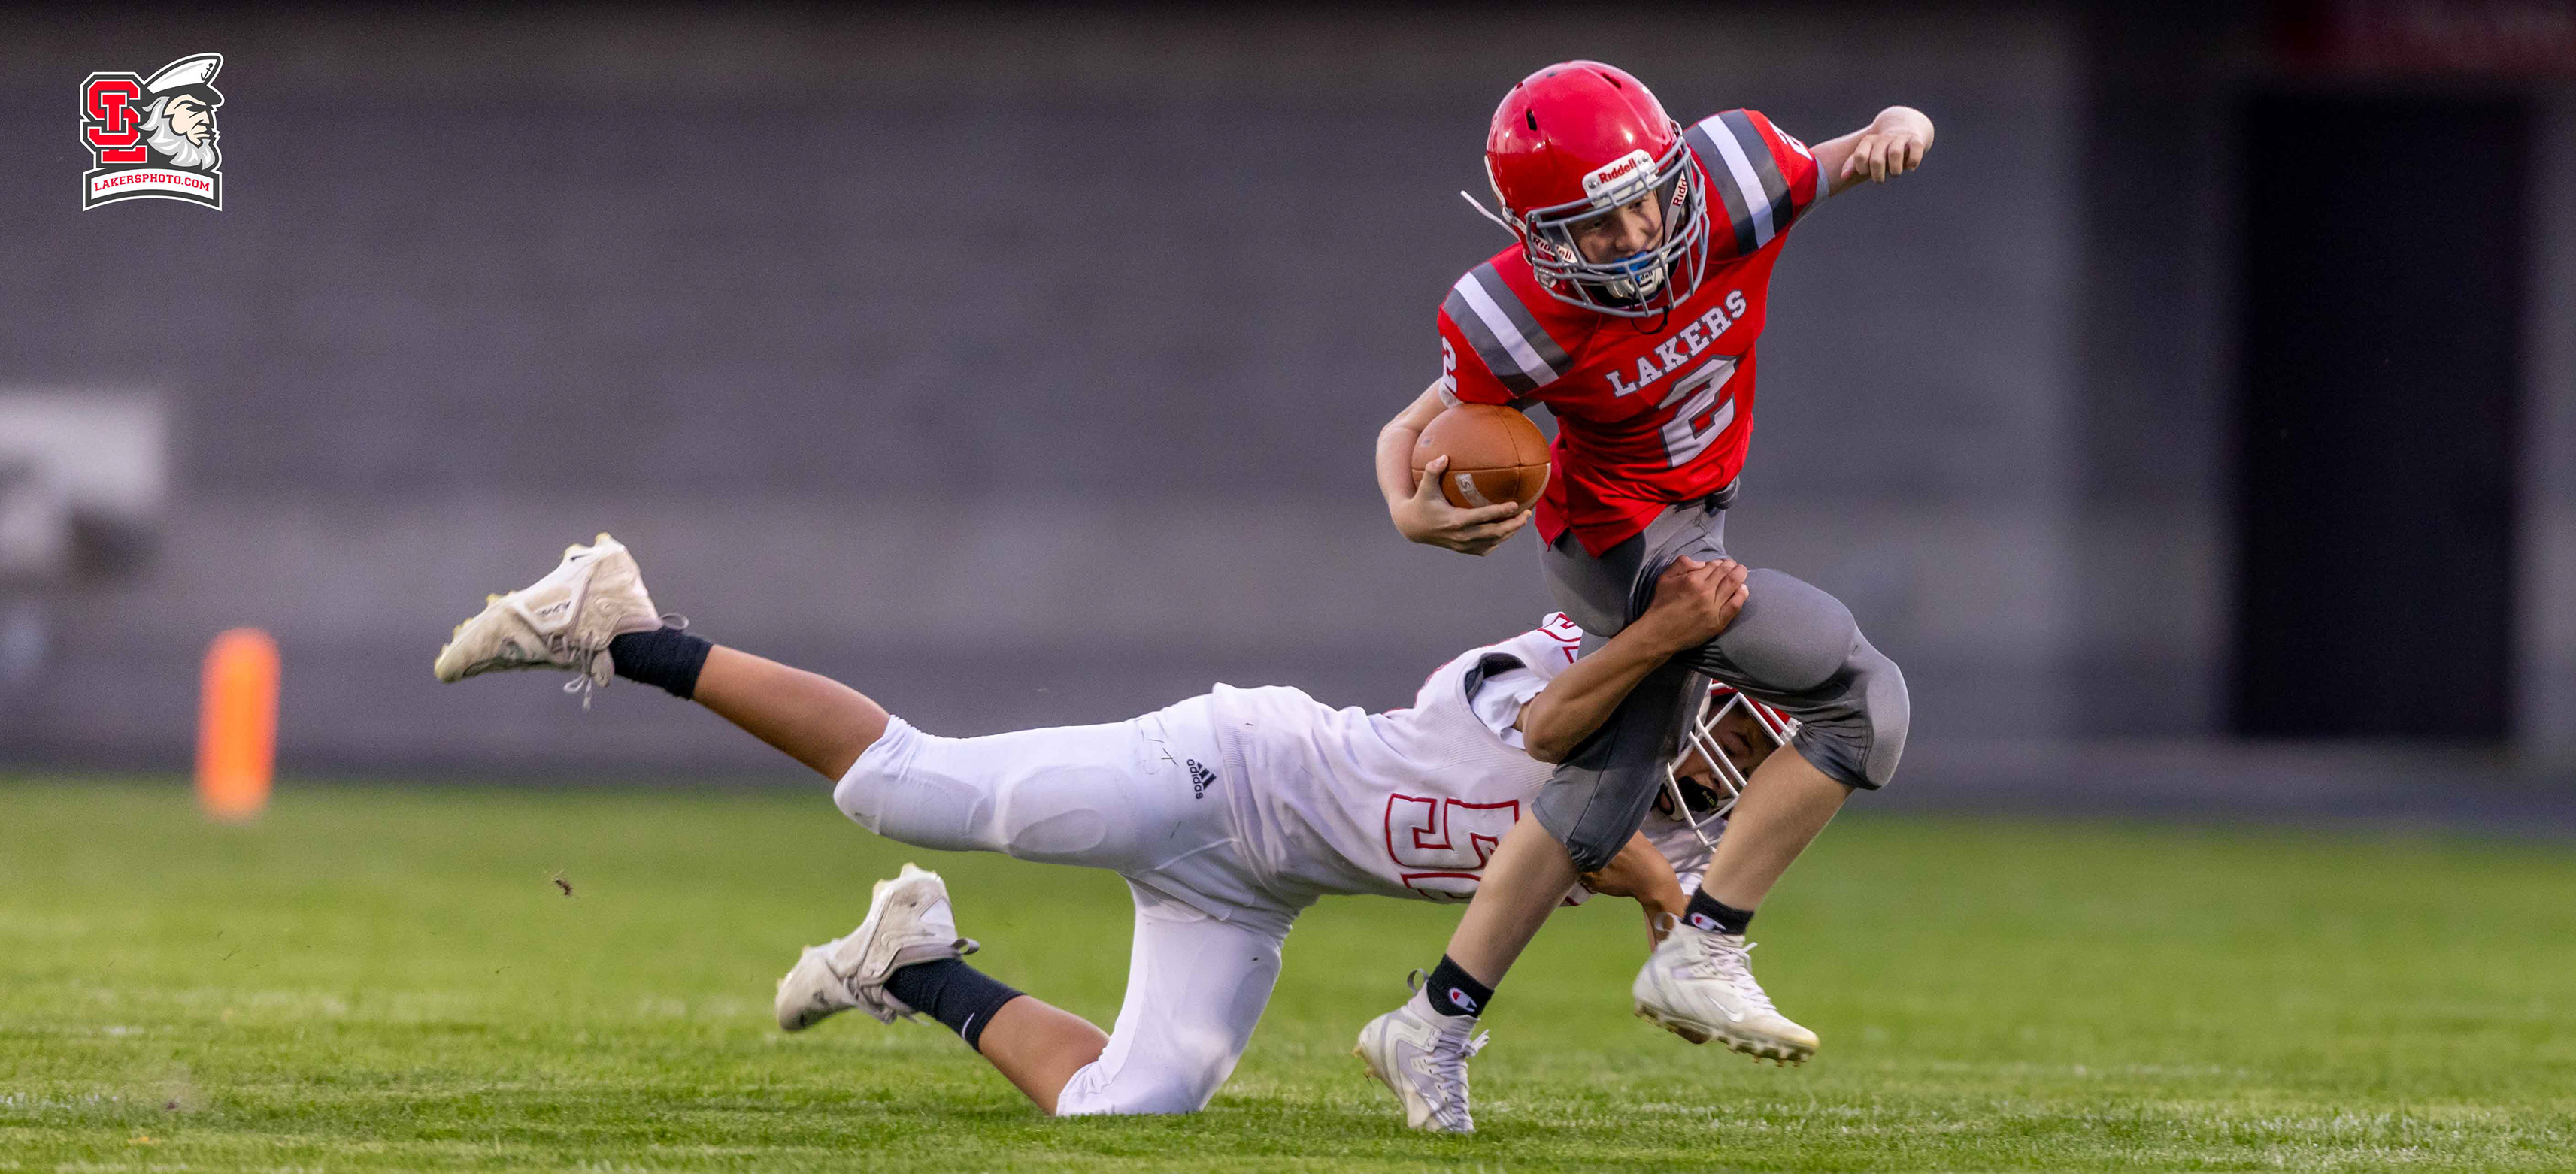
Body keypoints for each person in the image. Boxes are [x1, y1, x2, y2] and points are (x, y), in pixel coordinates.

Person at [430, 534, 1765, 1122]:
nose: (1728, 766)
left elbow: (1556, 842)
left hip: (1253, 889)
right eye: (1738, 730)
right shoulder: (1562, 675)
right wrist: (1654, 876)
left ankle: (913, 961)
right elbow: (1530, 752)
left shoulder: (1645, 807)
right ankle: (621, 624)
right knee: (903, 784)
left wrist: (1658, 879)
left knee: (1133, 1108)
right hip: (1224, 771)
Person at [1361, 60, 1934, 1128]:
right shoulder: (1510, 316)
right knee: (1865, 699)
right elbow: (1418, 423)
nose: (1633, 237)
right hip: (1619, 542)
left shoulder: (1736, 176)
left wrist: (1902, 121)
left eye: (1643, 204)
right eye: (1595, 227)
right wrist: (1409, 509)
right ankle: (1706, 944)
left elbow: (1859, 148)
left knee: (1601, 798)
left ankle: (1429, 1024)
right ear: (1538, 238)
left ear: (1675, 172)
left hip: (1697, 513)